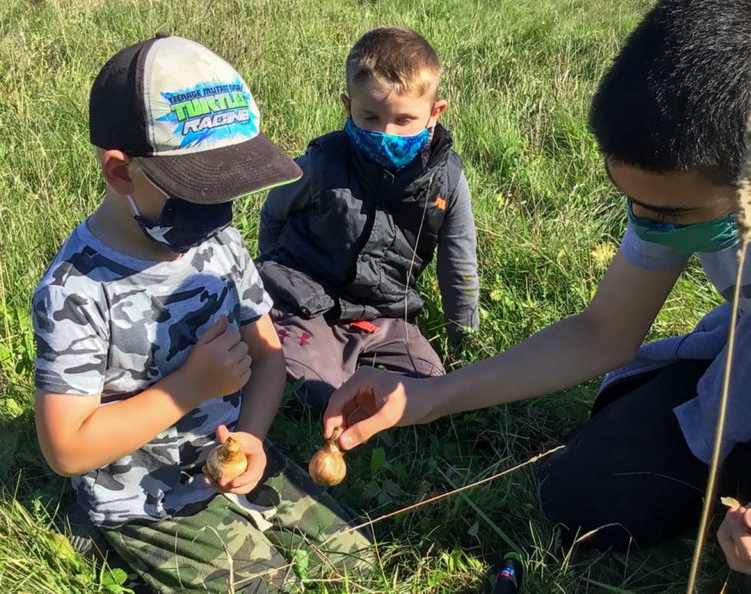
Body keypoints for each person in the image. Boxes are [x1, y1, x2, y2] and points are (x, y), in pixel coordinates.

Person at [322, 0, 751, 573]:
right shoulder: (674, 188)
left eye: (672, 213)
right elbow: (603, 331)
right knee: (586, 500)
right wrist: (426, 396)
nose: (649, 224)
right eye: (634, 202)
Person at [32, 34, 372, 593]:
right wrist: (188, 388)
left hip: (229, 453)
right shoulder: (78, 290)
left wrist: (255, 437)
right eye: (196, 194)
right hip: (145, 491)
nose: (216, 214)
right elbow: (65, 448)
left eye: (227, 195)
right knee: (270, 587)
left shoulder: (218, 241)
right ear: (122, 173)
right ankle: (99, 526)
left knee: (355, 562)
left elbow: (267, 354)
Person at [257, 27, 480, 409]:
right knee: (302, 383)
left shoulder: (447, 182)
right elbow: (274, 212)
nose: (386, 133)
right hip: (308, 305)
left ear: (434, 112)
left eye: (404, 119)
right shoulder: (323, 163)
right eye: (370, 117)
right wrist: (272, 279)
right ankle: (318, 363)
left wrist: (464, 341)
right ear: (348, 107)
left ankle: (353, 372)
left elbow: (458, 264)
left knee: (426, 386)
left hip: (386, 315)